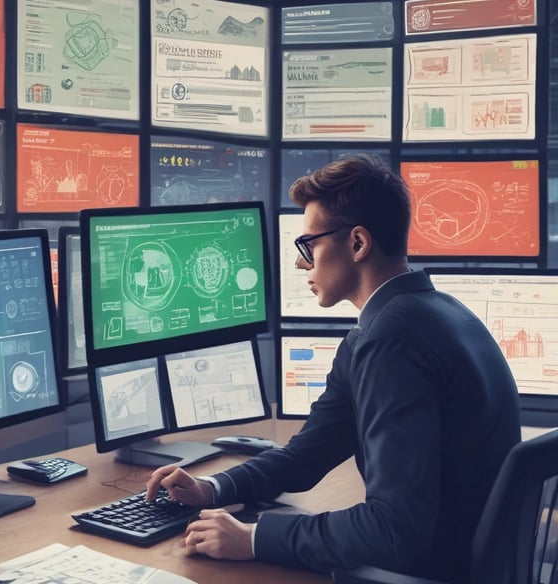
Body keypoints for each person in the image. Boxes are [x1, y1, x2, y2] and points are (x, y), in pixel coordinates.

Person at [145, 153, 521, 582]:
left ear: (358, 243)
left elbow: (392, 530)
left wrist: (253, 539)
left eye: (309, 245)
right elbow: (308, 454)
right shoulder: (427, 315)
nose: (301, 262)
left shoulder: (393, 340)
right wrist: (212, 489)